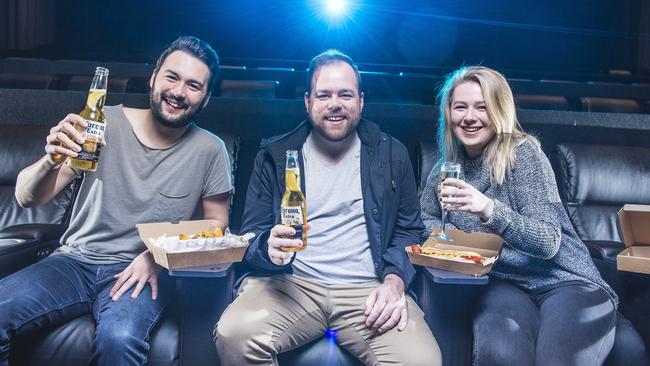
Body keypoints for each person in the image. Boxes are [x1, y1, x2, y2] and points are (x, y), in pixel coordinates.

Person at [1, 36, 232, 366]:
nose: (179, 92)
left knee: (119, 340)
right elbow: (26, 197)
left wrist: (158, 255)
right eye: (172, 77)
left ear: (206, 98)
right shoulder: (102, 122)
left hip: (141, 271)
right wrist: (50, 159)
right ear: (154, 78)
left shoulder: (210, 150)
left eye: (194, 85)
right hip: (73, 262)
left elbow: (216, 225)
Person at [214, 49, 441, 366]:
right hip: (291, 285)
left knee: (422, 361)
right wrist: (269, 248)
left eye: (345, 94)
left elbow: (408, 230)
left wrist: (395, 282)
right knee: (234, 335)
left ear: (361, 101)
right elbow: (250, 235)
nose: (335, 103)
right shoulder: (275, 154)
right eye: (324, 95)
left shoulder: (392, 154)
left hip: (368, 289)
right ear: (308, 102)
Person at [420, 66, 617, 366]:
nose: (469, 117)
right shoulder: (444, 170)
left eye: (482, 107)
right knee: (500, 353)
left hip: (564, 281)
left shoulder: (524, 155)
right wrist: (463, 245)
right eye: (460, 107)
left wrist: (488, 208)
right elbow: (424, 221)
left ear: (499, 111)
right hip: (505, 285)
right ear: (448, 114)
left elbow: (548, 241)